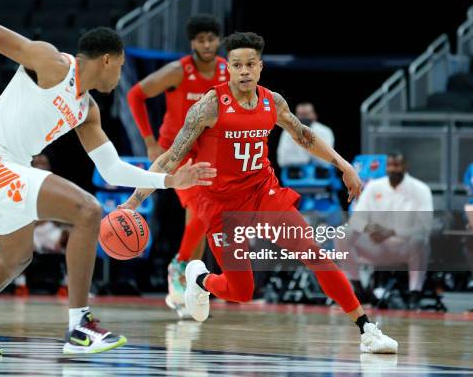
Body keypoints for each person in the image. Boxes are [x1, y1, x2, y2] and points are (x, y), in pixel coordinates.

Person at [0, 21, 216, 354]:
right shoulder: (52, 63)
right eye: (119, 68)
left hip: (9, 168)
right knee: (87, 210)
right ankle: (80, 326)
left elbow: (112, 169)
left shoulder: (87, 110)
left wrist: (169, 180)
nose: (119, 77)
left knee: (16, 258)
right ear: (105, 60)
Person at [122, 32, 398, 354]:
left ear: (260, 67)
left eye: (249, 64)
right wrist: (133, 201)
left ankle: (366, 329)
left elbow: (304, 136)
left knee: (314, 253)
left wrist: (343, 164)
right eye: (236, 65)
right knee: (242, 291)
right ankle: (201, 280)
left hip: (263, 193)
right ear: (229, 68)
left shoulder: (272, 101)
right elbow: (170, 157)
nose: (243, 71)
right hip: (222, 205)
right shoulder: (209, 106)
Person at [127, 14, 228, 316]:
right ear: (192, 43)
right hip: (177, 148)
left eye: (211, 38)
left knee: (201, 218)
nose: (207, 44)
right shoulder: (178, 71)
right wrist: (148, 141)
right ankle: (180, 266)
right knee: (201, 209)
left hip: (210, 149)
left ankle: (186, 286)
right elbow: (136, 95)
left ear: (218, 40)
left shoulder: (227, 71)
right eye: (201, 39)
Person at [337, 152, 433, 310]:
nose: (393, 169)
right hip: (376, 246)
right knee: (343, 233)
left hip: (405, 246)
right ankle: (359, 290)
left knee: (420, 240)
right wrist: (370, 228)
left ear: (405, 167)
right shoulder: (374, 187)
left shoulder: (420, 189)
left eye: (397, 165)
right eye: (389, 165)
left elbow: (425, 226)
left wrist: (393, 232)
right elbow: (356, 219)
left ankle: (415, 294)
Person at [13, 153, 71, 297]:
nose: (39, 166)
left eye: (43, 163)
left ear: (49, 167)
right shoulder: (21, 185)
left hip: (51, 231)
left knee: (72, 236)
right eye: (36, 163)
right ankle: (20, 285)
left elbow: (67, 217)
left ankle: (67, 285)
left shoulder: (58, 187)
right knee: (18, 240)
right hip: (30, 231)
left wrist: (60, 222)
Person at [277, 101, 334, 167]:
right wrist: (308, 158)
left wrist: (302, 157)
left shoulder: (325, 131)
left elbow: (327, 159)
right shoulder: (287, 132)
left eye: (306, 114)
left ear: (314, 115)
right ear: (294, 116)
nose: (304, 118)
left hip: (321, 174)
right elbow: (283, 160)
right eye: (301, 115)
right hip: (294, 173)